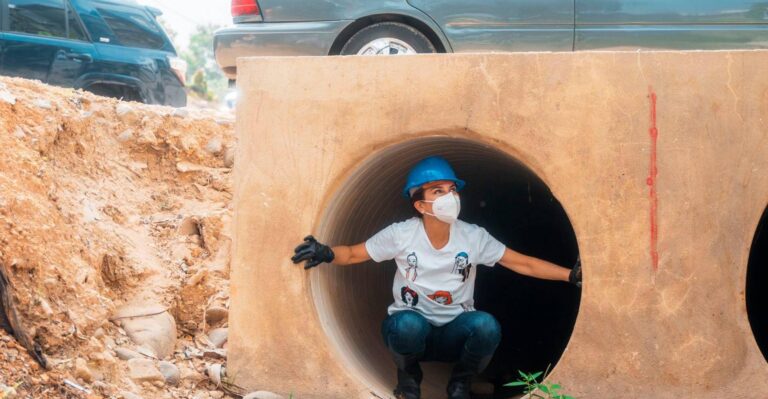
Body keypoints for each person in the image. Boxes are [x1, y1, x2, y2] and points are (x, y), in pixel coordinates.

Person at [291, 156, 581, 399]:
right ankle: (409, 377)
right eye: (438, 191)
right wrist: (326, 252)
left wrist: (570, 275)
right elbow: (355, 253)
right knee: (405, 324)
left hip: (456, 331)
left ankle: (460, 384)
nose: (450, 197)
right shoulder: (402, 234)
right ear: (420, 205)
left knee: (486, 327)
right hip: (413, 330)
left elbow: (523, 263)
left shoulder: (472, 237)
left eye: (452, 189)